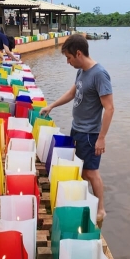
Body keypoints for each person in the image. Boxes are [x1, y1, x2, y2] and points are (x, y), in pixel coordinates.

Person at [39, 34, 114, 222]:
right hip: (77, 129)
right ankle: (85, 202)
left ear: (78, 53)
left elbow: (109, 108)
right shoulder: (81, 71)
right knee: (80, 170)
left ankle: (101, 210)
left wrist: (102, 137)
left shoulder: (99, 74)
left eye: (69, 57)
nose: (67, 62)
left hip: (90, 134)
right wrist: (51, 105)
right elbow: (73, 93)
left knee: (91, 172)